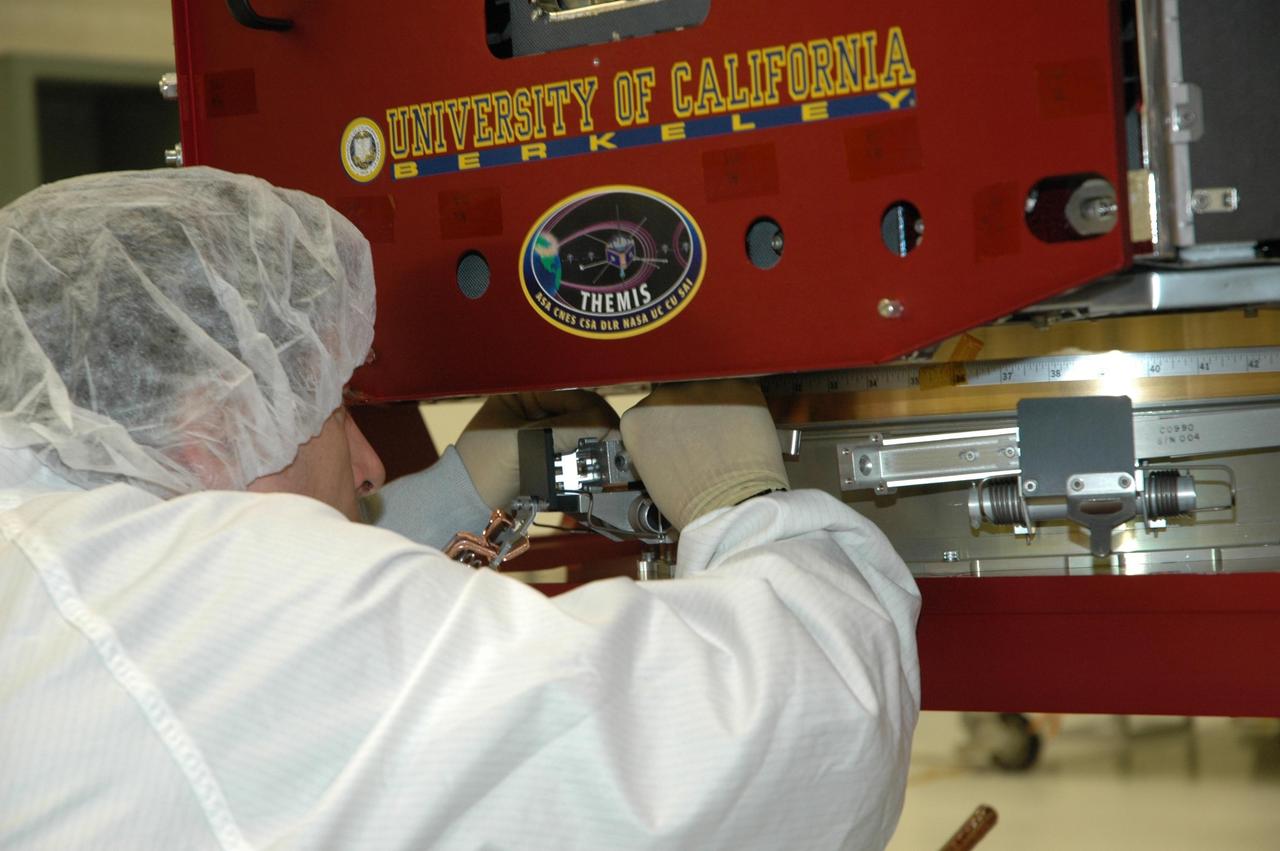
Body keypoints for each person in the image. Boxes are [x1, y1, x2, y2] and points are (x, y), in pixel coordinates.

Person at [0, 168, 920, 850]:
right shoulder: (194, 623)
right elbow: (783, 740)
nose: (369, 465)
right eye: (332, 409)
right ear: (209, 427)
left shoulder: (51, 560)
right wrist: (742, 503)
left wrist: (456, 492)